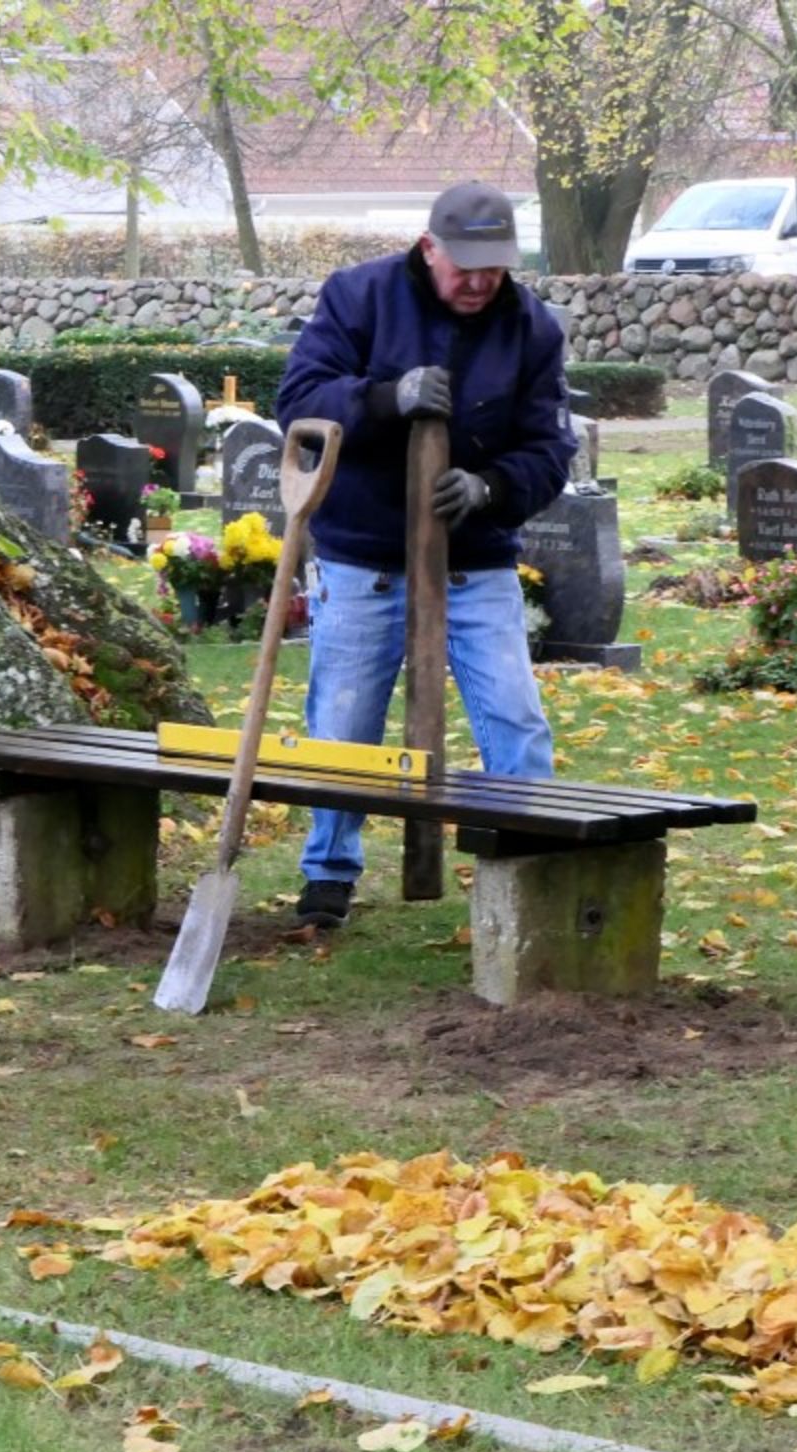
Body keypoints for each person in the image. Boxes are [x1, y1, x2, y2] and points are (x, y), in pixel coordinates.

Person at [275, 180, 577, 929]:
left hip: (475, 561)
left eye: (493, 269)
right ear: (429, 247)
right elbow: (300, 403)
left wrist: (490, 486)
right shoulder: (360, 297)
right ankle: (328, 873)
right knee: (343, 724)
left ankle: (533, 866)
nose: (478, 283)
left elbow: (549, 448)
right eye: (464, 267)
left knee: (515, 720)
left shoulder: (531, 328)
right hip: (365, 556)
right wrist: (385, 398)